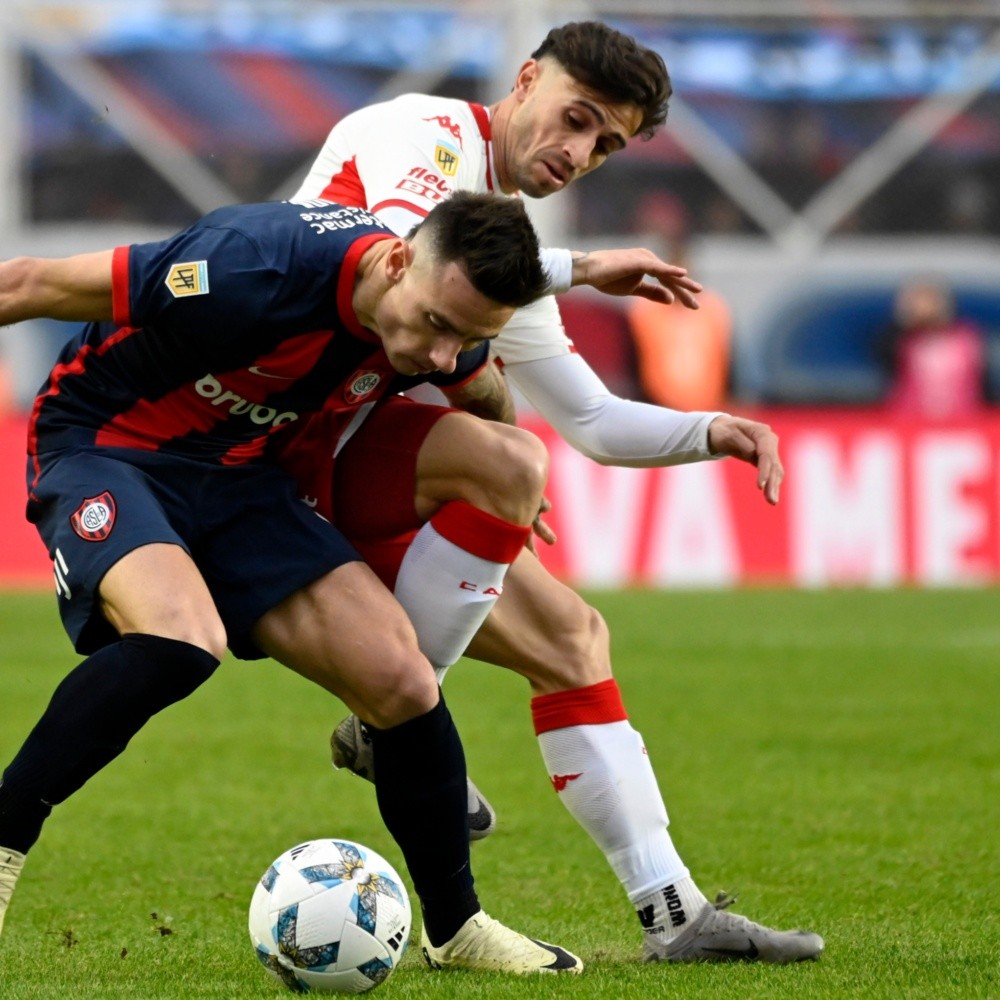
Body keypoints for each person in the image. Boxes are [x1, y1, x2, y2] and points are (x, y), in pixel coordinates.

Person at [0, 191, 678, 972]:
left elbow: (479, 387)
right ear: (395, 261)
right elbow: (28, 284)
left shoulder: (447, 322)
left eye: (466, 336)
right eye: (433, 324)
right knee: (181, 639)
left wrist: (509, 465)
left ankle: (457, 931)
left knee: (402, 680)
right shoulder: (248, 264)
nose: (438, 354)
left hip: (243, 479)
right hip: (105, 446)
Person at [288, 20, 823, 964]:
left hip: (358, 451)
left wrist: (715, 432)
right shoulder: (416, 132)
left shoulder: (505, 247)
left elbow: (594, 421)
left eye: (606, 144)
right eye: (574, 119)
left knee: (575, 638)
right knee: (497, 462)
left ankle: (676, 915)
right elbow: (418, 249)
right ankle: (392, 717)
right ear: (526, 80)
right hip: (287, 444)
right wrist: (588, 266)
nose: (579, 154)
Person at [876, 277, 987, 419]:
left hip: (963, 417)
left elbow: (981, 379)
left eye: (930, 302)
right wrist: (909, 325)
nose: (925, 309)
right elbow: (884, 358)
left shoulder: (967, 337)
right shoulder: (900, 339)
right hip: (909, 418)